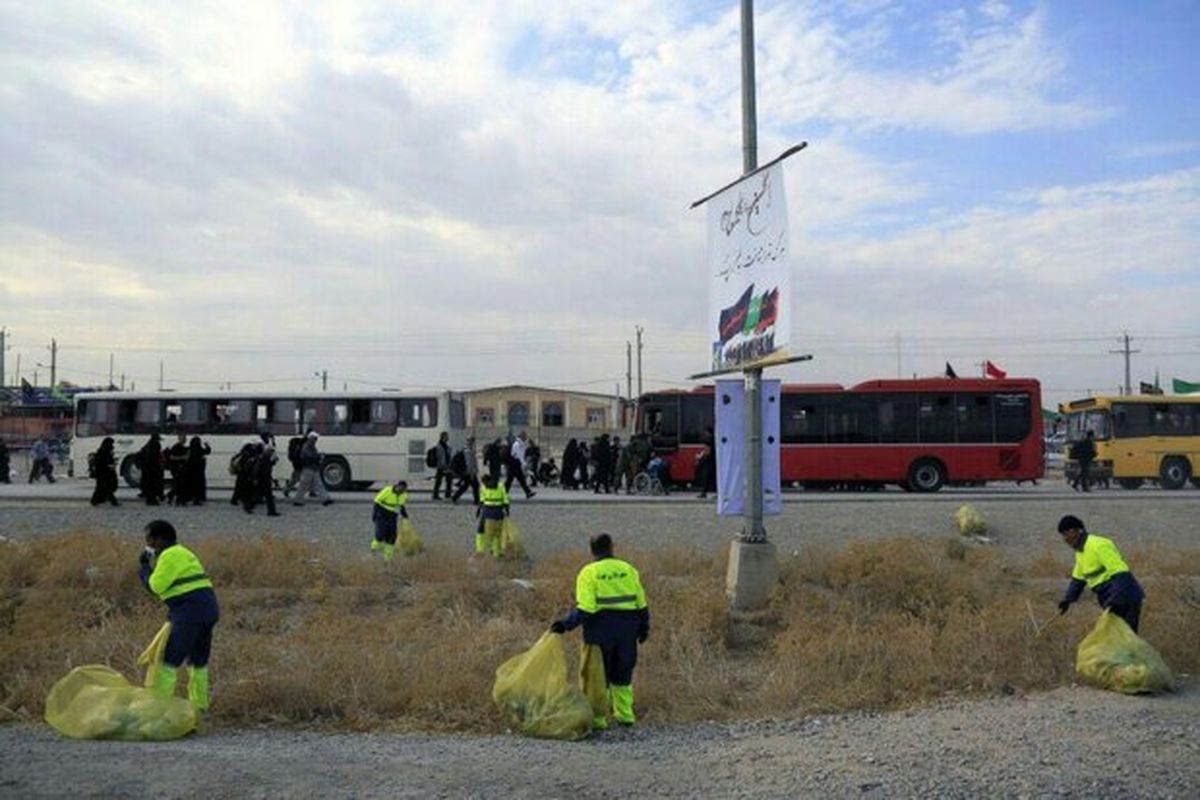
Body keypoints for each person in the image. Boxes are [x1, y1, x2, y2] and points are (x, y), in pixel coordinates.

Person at [550, 533, 650, 730]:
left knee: (596, 677)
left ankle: (597, 720)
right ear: (613, 546)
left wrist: (565, 624)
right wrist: (644, 627)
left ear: (592, 550)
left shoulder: (588, 573)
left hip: (599, 632)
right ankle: (625, 716)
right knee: (622, 674)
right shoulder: (628, 569)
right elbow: (641, 603)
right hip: (627, 630)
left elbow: (586, 607)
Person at [138, 520, 220, 713]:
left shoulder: (168, 555)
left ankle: (158, 709)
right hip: (208, 611)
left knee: (168, 660)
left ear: (159, 539)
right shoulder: (185, 552)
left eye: (149, 539)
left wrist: (144, 568)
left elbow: (155, 587)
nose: (147, 544)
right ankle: (199, 708)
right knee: (198, 661)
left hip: (189, 613)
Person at [1056, 514, 1145, 632]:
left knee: (1125, 635)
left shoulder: (1099, 545)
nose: (1065, 539)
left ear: (1077, 531)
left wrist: (1116, 601)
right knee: (1114, 636)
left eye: (1067, 533)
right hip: (1107, 596)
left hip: (1125, 596)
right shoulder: (1080, 551)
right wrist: (1067, 600)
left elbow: (1121, 574)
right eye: (1063, 535)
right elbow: (1078, 579)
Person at [371, 480, 410, 561]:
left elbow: (401, 505)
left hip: (392, 516)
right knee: (380, 535)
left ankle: (388, 557)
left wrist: (405, 515)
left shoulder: (403, 495)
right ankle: (374, 549)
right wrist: (374, 515)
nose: (402, 491)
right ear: (397, 486)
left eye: (404, 490)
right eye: (401, 489)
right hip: (382, 514)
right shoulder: (387, 490)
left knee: (392, 537)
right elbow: (376, 502)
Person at [292, 432, 333, 507]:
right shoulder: (307, 447)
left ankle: (326, 499)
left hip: (311, 468)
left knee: (315, 485)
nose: (316, 440)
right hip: (308, 468)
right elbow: (308, 456)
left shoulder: (309, 446)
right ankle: (297, 500)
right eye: (315, 439)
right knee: (305, 485)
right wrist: (318, 456)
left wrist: (318, 456)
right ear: (311, 439)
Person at [475, 473, 510, 558]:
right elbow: (505, 499)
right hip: (498, 511)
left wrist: (478, 510)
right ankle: (496, 552)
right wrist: (507, 510)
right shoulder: (501, 486)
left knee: (481, 530)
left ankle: (480, 550)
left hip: (487, 511)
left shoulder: (483, 487)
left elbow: (482, 500)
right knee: (497, 532)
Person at [244, 441, 280, 516]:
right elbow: (263, 469)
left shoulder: (262, 457)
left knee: (260, 495)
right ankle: (271, 511)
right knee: (267, 496)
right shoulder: (265, 458)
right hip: (264, 478)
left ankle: (249, 506)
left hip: (262, 478)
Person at [89, 437, 120, 506]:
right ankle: (112, 501)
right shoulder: (103, 451)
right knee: (106, 488)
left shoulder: (104, 450)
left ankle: (97, 500)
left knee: (102, 488)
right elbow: (103, 462)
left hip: (105, 473)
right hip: (104, 473)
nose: (113, 446)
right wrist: (110, 465)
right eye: (111, 444)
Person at [505, 431, 535, 499]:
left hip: (516, 463)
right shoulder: (517, 444)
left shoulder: (521, 444)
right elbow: (519, 455)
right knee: (511, 480)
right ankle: (528, 492)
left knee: (518, 479)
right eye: (525, 436)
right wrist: (524, 464)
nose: (526, 438)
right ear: (521, 437)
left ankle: (528, 492)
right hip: (514, 463)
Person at [451, 437, 480, 505]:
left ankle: (455, 497)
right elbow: (470, 463)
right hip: (469, 472)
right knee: (475, 486)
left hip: (467, 472)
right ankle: (476, 500)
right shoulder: (468, 451)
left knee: (465, 486)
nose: (473, 443)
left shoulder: (468, 450)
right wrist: (472, 473)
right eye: (472, 441)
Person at [138, 433, 164, 505]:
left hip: (147, 467)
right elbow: (156, 456)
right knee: (154, 484)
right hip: (154, 467)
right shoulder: (156, 445)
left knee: (149, 484)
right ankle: (153, 499)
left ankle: (150, 498)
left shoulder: (148, 445)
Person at [185, 437, 211, 505]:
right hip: (199, 472)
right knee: (199, 486)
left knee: (191, 485)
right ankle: (198, 499)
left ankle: (189, 497)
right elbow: (208, 451)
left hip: (190, 471)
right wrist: (206, 445)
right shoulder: (200, 450)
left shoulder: (189, 449)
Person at [165, 433, 189, 505]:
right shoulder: (176, 447)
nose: (184, 439)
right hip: (175, 468)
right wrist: (183, 457)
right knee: (179, 484)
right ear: (179, 438)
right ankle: (172, 496)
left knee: (179, 484)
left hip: (179, 468)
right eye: (183, 438)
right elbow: (172, 457)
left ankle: (173, 497)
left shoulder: (182, 447)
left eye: (185, 438)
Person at [432, 431, 454, 501]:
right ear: (443, 437)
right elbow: (440, 457)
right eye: (446, 436)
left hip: (446, 466)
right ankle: (437, 495)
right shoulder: (440, 446)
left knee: (446, 481)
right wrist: (443, 465)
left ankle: (446, 494)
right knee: (440, 481)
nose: (448, 438)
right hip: (442, 466)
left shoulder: (445, 446)